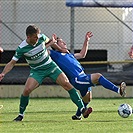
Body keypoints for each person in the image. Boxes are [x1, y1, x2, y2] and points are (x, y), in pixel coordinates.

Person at [0, 24, 92, 121]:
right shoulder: (21, 48)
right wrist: (3, 73)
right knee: (26, 91)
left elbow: (50, 42)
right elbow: (12, 63)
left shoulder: (41, 37)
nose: (37, 39)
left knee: (67, 84)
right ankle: (21, 115)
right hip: (37, 71)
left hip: (50, 66)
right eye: (35, 37)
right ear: (28, 37)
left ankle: (83, 109)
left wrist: (60, 49)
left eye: (37, 36)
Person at [49, 32, 126, 120]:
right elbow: (44, 49)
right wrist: (51, 42)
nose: (65, 43)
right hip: (77, 79)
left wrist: (86, 40)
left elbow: (82, 54)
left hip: (83, 77)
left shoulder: (69, 54)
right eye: (61, 42)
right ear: (56, 45)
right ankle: (118, 90)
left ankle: (78, 115)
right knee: (98, 76)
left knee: (87, 99)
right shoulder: (55, 55)